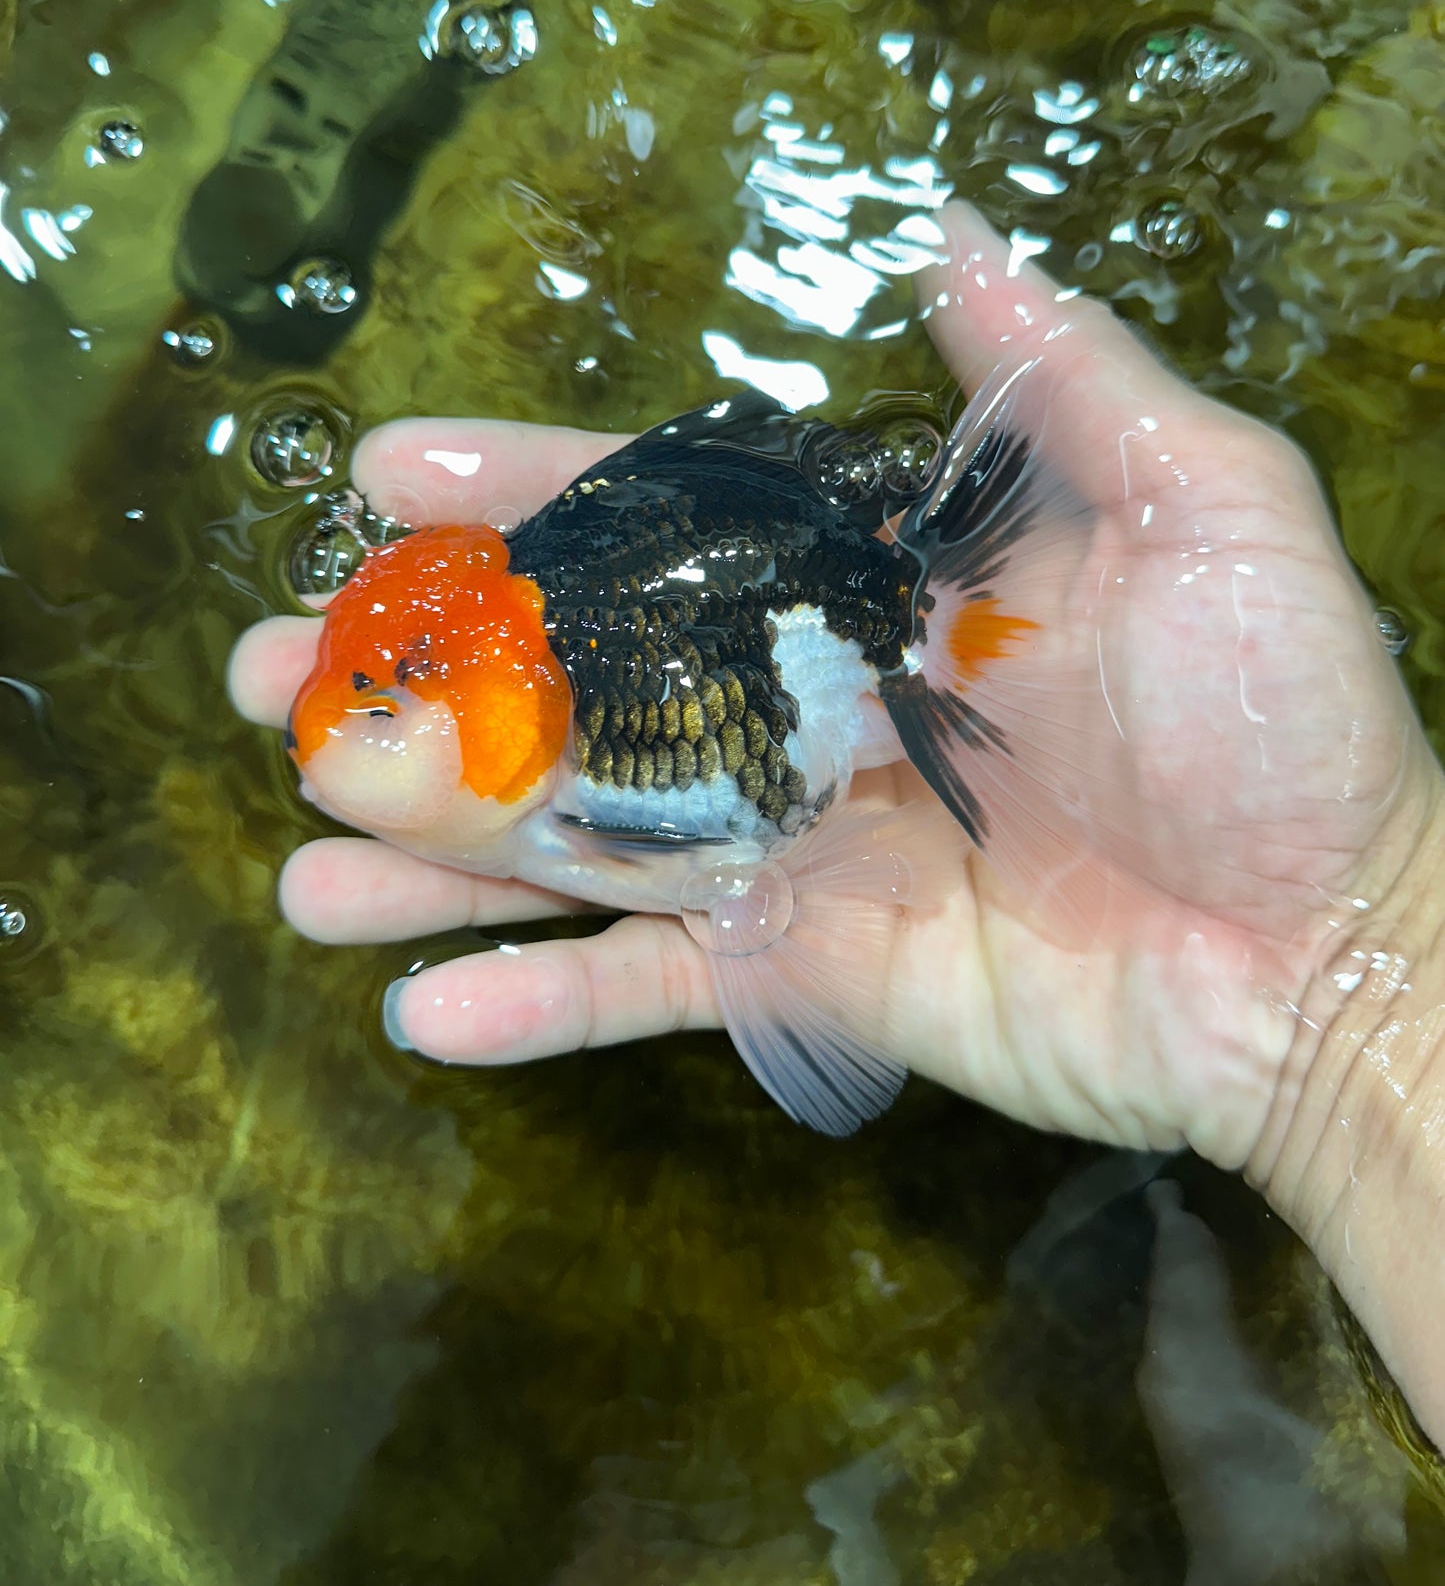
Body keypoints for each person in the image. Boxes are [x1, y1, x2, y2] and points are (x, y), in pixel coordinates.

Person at [229, 203, 1445, 1451]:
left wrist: (1352, 992)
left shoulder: (581, 794)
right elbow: (728, 878)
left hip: (818, 635)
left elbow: (720, 870)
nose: (332, 740)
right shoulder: (537, 773)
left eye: (379, 711)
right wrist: (1356, 999)